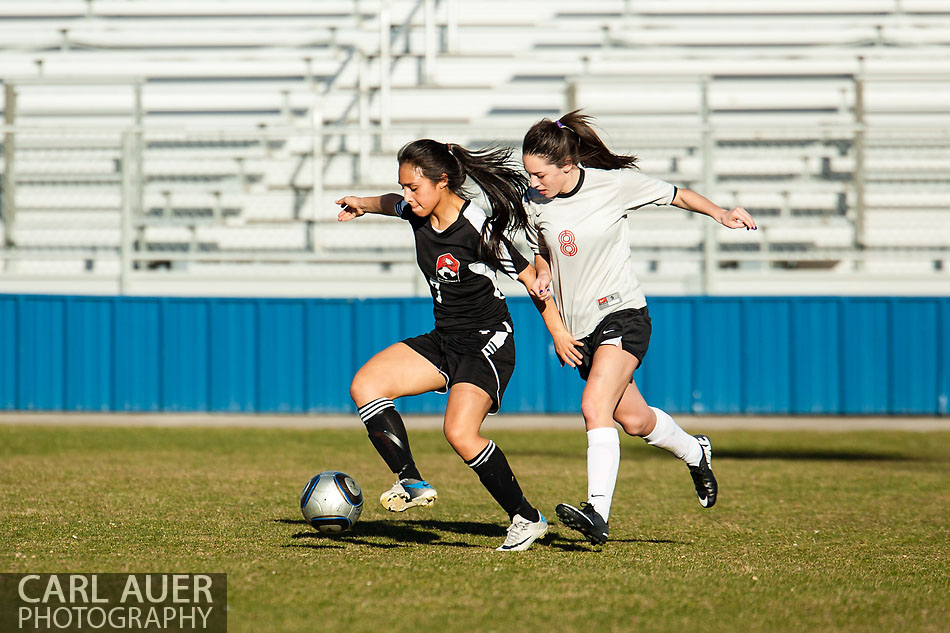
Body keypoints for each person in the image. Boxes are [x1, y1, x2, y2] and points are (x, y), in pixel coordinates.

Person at [521, 110, 757, 546]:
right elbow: (544, 253)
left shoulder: (613, 185)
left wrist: (720, 214)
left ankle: (597, 512)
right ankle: (695, 451)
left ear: (568, 166)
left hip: (623, 314)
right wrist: (542, 273)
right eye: (528, 173)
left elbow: (678, 195)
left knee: (595, 405)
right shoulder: (534, 201)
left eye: (539, 174)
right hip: (581, 330)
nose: (533, 182)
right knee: (633, 419)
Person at [336, 139, 561, 552]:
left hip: (487, 341)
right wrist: (363, 204)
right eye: (403, 186)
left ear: (442, 182)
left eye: (413, 187)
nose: (406, 196)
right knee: (366, 385)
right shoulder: (418, 210)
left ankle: (527, 518)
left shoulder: (477, 228)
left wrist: (559, 334)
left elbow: (532, 281)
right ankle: (411, 481)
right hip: (444, 337)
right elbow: (391, 203)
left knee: (459, 433)